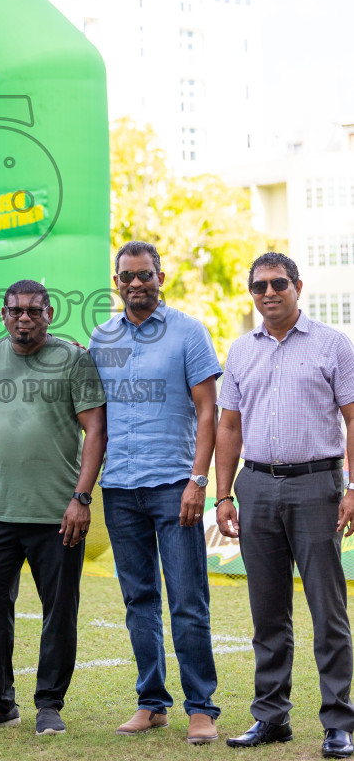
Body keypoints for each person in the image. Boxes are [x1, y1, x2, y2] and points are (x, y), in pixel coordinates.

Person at [216, 252, 354, 758]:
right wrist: (224, 493)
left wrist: (353, 488)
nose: (268, 293)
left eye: (278, 283)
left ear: (298, 286)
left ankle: (338, 723)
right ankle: (271, 718)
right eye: (259, 286)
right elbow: (228, 426)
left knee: (327, 609)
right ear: (251, 292)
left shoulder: (333, 345)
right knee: (267, 612)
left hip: (317, 487)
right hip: (255, 488)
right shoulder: (240, 351)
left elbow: (353, 418)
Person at [0, 279, 106, 736]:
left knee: (59, 611)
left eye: (34, 311)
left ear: (49, 314)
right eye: (16, 311)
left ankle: (49, 704)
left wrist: (81, 499)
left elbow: (96, 431)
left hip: (58, 514)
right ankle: (0, 703)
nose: (25, 318)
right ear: (2, 316)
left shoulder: (74, 360)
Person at [89, 240, 221, 744]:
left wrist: (198, 480)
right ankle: (151, 703)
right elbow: (94, 417)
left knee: (188, 598)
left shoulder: (189, 332)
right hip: (120, 488)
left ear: (160, 277)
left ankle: (201, 708)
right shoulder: (102, 338)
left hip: (175, 487)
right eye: (127, 276)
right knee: (138, 599)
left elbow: (208, 410)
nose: (136, 283)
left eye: (145, 275)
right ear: (116, 282)